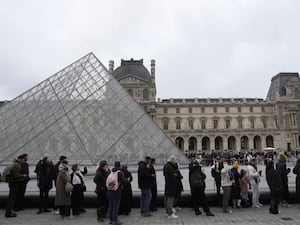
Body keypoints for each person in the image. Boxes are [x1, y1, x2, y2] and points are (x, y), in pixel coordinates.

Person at [106, 161, 127, 225]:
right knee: (116, 206)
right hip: (117, 191)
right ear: (119, 165)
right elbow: (124, 181)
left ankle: (111, 220)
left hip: (109, 191)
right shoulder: (120, 173)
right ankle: (115, 220)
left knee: (111, 205)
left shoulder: (110, 172)